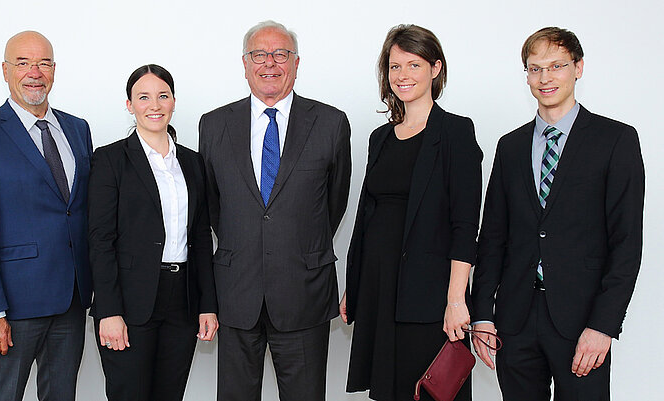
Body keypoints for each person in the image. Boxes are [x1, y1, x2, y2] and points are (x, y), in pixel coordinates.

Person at [471, 27, 644, 401]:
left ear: (578, 68)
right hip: (514, 322)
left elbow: (627, 244)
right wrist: (482, 314)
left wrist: (603, 326)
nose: (545, 77)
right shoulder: (510, 146)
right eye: (535, 69)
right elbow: (492, 238)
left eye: (556, 66)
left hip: (582, 322)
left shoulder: (616, 140)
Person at [198, 20, 351, 401]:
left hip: (303, 291)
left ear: (296, 63)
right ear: (245, 64)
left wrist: (294, 242)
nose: (270, 63)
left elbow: (333, 203)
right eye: (259, 54)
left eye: (280, 53)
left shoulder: (331, 123)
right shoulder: (213, 124)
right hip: (236, 293)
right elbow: (213, 206)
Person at [339, 24, 482, 401]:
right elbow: (368, 217)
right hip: (379, 290)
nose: (402, 76)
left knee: (432, 392)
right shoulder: (380, 138)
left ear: (435, 68)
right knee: (388, 393)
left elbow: (465, 225)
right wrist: (354, 285)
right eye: (394, 66)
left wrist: (456, 300)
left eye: (413, 65)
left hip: (430, 296)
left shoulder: (456, 132)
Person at [0, 31, 93, 401]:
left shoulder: (78, 129)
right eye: (23, 62)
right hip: (15, 303)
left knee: (62, 394)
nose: (35, 72)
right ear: (5, 70)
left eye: (44, 62)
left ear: (54, 70)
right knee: (5, 395)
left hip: (73, 296)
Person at [88, 64, 219, 401]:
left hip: (183, 301)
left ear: (174, 101)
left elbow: (202, 237)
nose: (154, 105)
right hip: (130, 303)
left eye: (163, 96)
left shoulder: (193, 162)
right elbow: (100, 241)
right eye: (143, 97)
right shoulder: (110, 159)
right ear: (130, 105)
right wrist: (108, 311)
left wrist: (208, 304)